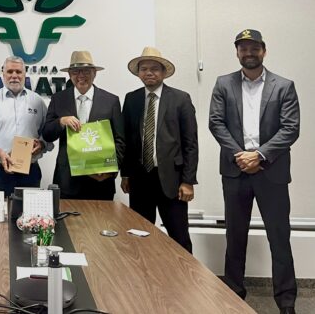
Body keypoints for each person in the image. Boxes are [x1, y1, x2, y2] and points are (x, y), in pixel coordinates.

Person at [209, 29, 299, 314]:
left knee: (279, 239)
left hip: (271, 172)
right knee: (235, 238)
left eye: (254, 48)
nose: (248, 53)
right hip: (236, 170)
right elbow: (216, 123)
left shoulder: (283, 86)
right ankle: (233, 298)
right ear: (237, 52)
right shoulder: (223, 84)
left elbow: (290, 128)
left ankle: (286, 303)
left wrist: (259, 155)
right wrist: (241, 155)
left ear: (264, 51)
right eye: (243, 48)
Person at [121, 47, 198, 252]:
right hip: (140, 179)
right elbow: (128, 139)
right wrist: (125, 174)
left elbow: (190, 143)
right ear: (139, 73)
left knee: (179, 237)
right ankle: (142, 272)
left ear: (164, 72)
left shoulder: (180, 99)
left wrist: (188, 181)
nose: (149, 73)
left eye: (154, 69)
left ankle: (184, 273)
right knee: (139, 236)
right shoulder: (131, 99)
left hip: (172, 180)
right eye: (144, 69)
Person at [42, 51, 124, 200]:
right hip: (67, 180)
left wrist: (111, 170)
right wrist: (61, 122)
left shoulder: (111, 101)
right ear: (69, 75)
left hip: (101, 182)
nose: (81, 75)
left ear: (94, 73)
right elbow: (47, 134)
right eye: (75, 71)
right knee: (66, 217)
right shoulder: (58, 99)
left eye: (86, 71)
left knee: (101, 217)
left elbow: (120, 140)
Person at [0, 56, 51, 197]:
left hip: (30, 172)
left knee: (28, 211)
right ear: (3, 74)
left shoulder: (37, 101)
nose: (14, 76)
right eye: (10, 72)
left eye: (18, 72)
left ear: (24, 74)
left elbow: (48, 131)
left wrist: (42, 144)